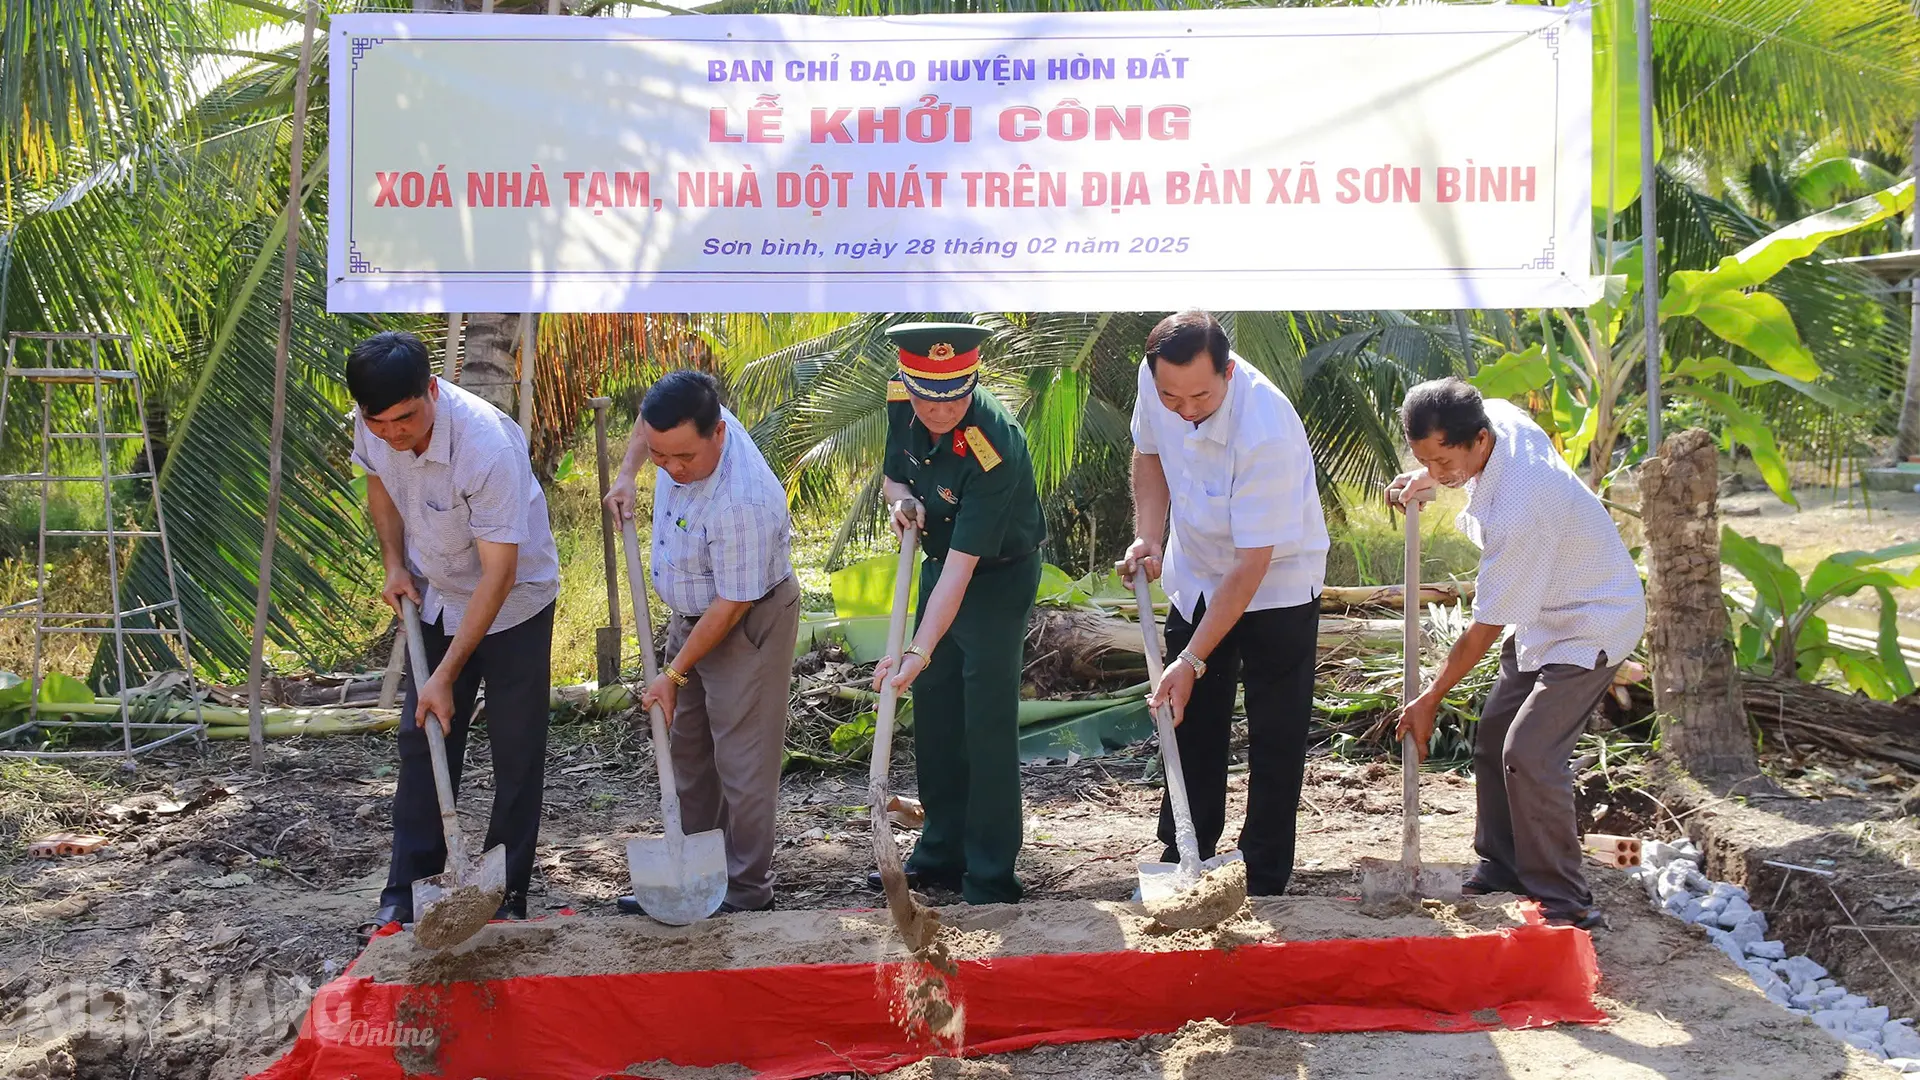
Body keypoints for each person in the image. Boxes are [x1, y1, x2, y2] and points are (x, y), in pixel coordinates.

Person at [1387, 377, 1645, 930]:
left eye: (1443, 459)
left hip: (1592, 618)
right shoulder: (1495, 414)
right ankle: (1502, 865)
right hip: (1544, 610)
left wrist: (1431, 697)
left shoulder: (1522, 506)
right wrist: (1428, 475)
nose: (1436, 472)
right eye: (1423, 458)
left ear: (1480, 441)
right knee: (1492, 739)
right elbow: (1475, 421)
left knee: (1528, 752)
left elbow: (1482, 631)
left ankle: (1566, 899)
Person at [347, 330, 559, 938]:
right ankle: (406, 894)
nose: (393, 432)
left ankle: (507, 892)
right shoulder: (373, 425)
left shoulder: (485, 446)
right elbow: (380, 485)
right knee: (425, 739)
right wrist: (394, 563)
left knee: (516, 749)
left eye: (406, 418)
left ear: (433, 390)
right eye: (379, 421)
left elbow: (500, 572)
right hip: (437, 594)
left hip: (514, 602)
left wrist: (444, 675)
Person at [1121, 310, 1330, 897]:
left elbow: (1250, 566)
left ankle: (1263, 872)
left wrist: (1191, 660)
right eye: (1171, 396)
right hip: (1197, 570)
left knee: (1275, 728)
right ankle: (1184, 848)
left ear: (1229, 373)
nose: (1184, 408)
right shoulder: (1157, 380)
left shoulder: (1266, 430)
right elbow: (1150, 455)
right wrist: (1151, 535)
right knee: (1185, 717)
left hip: (1275, 582)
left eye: (1200, 396)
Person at [864, 321, 1046, 905]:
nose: (939, 411)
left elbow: (967, 568)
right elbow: (895, 476)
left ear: (973, 380)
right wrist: (902, 503)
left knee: (986, 723)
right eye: (926, 396)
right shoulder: (902, 401)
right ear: (908, 383)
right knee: (937, 710)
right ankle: (941, 852)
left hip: (994, 577)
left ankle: (991, 874)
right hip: (938, 561)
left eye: (954, 397)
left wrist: (917, 649)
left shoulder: (994, 444)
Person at [605, 371, 800, 915]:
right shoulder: (680, 422)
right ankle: (692, 877)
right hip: (693, 613)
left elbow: (731, 606)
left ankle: (744, 892)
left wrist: (673, 673)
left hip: (747, 619)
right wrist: (626, 475)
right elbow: (648, 425)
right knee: (686, 749)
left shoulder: (746, 501)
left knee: (742, 761)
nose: (671, 468)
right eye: (661, 456)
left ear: (719, 433)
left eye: (683, 457)